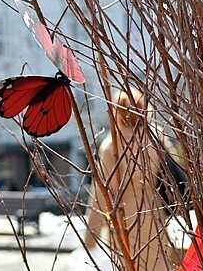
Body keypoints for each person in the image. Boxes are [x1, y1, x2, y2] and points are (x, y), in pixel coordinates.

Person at [79, 88, 185, 270]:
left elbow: (101, 195)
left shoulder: (112, 145)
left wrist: (90, 238)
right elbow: (172, 174)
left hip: (125, 222)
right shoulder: (156, 138)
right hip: (155, 217)